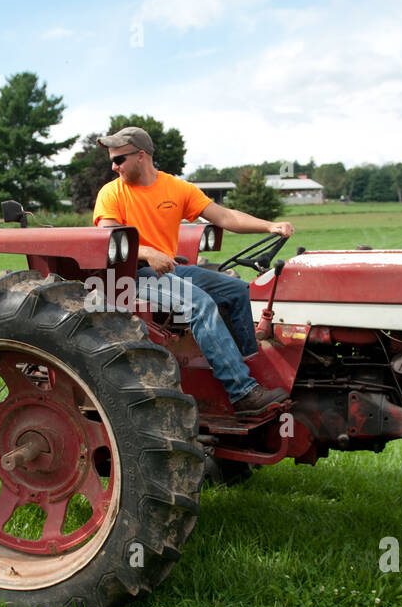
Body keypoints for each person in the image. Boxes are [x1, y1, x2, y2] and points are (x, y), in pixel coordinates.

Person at [93, 126, 293, 416]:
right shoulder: (111, 193)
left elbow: (225, 216)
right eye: (112, 160)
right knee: (198, 304)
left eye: (119, 159)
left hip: (167, 270)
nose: (114, 166)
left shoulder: (176, 188)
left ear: (141, 156)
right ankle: (243, 393)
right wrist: (148, 253)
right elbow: (109, 239)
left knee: (236, 290)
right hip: (128, 277)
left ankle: (252, 366)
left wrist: (269, 226)